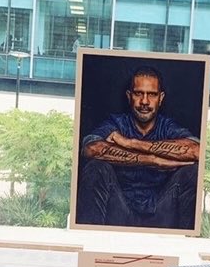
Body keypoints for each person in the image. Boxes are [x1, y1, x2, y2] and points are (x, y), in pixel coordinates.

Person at [76, 65, 200, 229]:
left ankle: (186, 245)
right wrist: (150, 160)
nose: (145, 102)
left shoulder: (167, 127)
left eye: (152, 95)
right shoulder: (117, 123)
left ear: (161, 98)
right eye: (138, 93)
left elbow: (197, 150)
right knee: (96, 167)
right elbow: (90, 149)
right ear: (129, 96)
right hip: (119, 210)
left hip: (161, 210)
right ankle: (91, 242)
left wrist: (133, 143)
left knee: (193, 172)